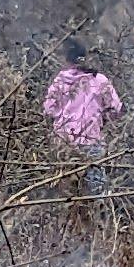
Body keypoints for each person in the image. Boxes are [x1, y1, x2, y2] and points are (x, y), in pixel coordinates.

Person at [43, 39, 121, 201]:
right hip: (91, 141)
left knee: (64, 189)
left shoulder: (60, 82)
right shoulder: (99, 80)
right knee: (97, 187)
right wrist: (103, 119)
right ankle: (99, 220)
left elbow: (49, 109)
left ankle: (68, 220)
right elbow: (115, 108)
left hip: (64, 143)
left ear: (66, 59)